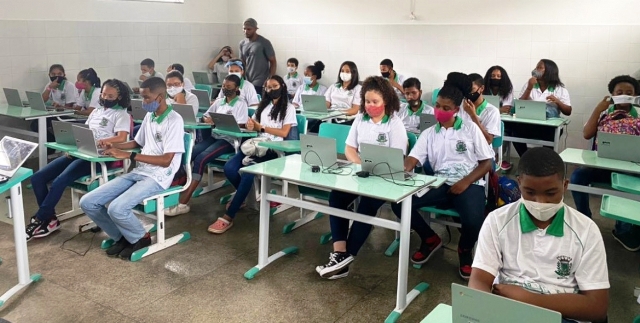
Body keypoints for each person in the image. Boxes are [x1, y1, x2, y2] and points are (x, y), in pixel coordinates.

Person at [470, 148, 609, 323]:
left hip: (562, 317)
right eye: (530, 192)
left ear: (565, 186)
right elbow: (478, 282)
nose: (540, 203)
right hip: (508, 311)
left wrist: (526, 299)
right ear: (519, 183)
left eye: (550, 193)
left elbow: (597, 307)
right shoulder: (497, 221)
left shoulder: (586, 230)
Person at [390, 72, 494, 280]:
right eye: (437, 106)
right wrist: (402, 172)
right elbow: (413, 159)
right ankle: (430, 239)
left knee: (474, 221)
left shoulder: (470, 129)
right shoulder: (430, 133)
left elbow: (487, 163)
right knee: (399, 203)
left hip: (469, 182)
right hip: (439, 182)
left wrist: (465, 182)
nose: (440, 111)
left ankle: (465, 251)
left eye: (446, 108)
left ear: (456, 110)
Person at [79, 77, 185, 260]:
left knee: (117, 208)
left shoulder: (174, 120)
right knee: (88, 202)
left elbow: (167, 160)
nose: (143, 102)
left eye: (146, 98)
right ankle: (122, 237)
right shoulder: (150, 117)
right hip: (140, 171)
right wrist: (114, 148)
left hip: (159, 175)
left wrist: (129, 155)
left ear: (160, 97)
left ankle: (140, 237)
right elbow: (137, 142)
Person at [316, 76, 407, 280]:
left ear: (386, 100)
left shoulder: (394, 123)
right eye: (367, 101)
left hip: (385, 178)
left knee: (367, 206)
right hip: (361, 173)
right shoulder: (360, 118)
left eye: (375, 102)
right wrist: (359, 165)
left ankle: (345, 257)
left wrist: (373, 172)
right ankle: (339, 252)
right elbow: (349, 148)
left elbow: (397, 159)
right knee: (336, 198)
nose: (370, 105)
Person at [26, 79, 131, 240]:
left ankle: (40, 218)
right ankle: (50, 218)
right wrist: (73, 146)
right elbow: (86, 131)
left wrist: (106, 141)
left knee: (60, 181)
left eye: (110, 96)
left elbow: (122, 137)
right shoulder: (96, 111)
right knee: (37, 178)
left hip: (99, 156)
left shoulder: (121, 114)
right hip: (81, 151)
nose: (105, 97)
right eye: (103, 94)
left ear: (119, 97)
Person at [213, 75, 296, 234]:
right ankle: (247, 197)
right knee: (230, 168)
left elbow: (285, 132)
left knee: (248, 173)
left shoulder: (289, 108)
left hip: (275, 148)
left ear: (282, 87)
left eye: (274, 86)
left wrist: (262, 128)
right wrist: (251, 126)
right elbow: (254, 126)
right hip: (257, 145)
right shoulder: (263, 106)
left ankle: (228, 217)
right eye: (268, 87)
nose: (270, 90)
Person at [571, 75, 640, 251]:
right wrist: (598, 109)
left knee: (627, 185)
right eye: (619, 92)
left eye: (629, 93)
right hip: (601, 165)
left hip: (630, 168)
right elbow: (587, 134)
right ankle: (584, 220)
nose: (624, 95)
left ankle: (624, 230)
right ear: (612, 94)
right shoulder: (603, 112)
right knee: (577, 177)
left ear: (635, 95)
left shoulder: (638, 114)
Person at [165, 75, 247, 216]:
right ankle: (177, 190)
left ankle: (184, 202)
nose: (225, 88)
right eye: (223, 86)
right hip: (215, 136)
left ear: (237, 88)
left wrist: (219, 122)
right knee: (189, 154)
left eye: (229, 87)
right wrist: (207, 119)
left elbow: (242, 124)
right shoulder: (219, 102)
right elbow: (205, 115)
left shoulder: (241, 103)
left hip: (228, 140)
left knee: (201, 159)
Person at [508, 59, 571, 157]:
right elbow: (519, 105)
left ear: (549, 71)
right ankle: (526, 160)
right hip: (529, 125)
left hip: (548, 128)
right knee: (513, 131)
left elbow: (568, 111)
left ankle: (542, 163)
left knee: (551, 137)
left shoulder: (560, 89)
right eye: (536, 67)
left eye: (540, 67)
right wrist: (529, 87)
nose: (536, 69)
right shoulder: (530, 84)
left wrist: (558, 101)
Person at [32, 64, 78, 153]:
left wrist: (60, 106)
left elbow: (70, 107)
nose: (56, 76)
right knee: (35, 124)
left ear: (64, 75)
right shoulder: (50, 85)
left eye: (59, 74)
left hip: (67, 115)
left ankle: (50, 148)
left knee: (46, 124)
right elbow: (42, 100)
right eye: (53, 74)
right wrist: (50, 88)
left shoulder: (69, 86)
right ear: (49, 75)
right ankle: (51, 144)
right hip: (54, 113)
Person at [483, 65, 515, 171]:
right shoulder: (483, 89)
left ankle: (496, 158)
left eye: (498, 76)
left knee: (503, 131)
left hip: (503, 120)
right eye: (493, 76)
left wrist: (498, 110)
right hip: (486, 119)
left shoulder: (508, 89)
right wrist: (499, 109)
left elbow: (507, 108)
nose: (495, 78)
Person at [458, 73, 501, 144]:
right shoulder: (460, 106)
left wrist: (473, 116)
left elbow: (488, 140)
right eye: (466, 89)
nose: (468, 93)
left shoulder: (492, 111)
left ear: (481, 88)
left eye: (471, 89)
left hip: (480, 152)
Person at [239, 18, 276, 95]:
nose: (246, 31)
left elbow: (273, 61)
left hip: (260, 80)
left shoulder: (264, 42)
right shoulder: (242, 43)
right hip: (247, 79)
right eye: (244, 29)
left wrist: (270, 78)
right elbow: (242, 63)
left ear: (255, 29)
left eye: (249, 29)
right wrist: (241, 78)